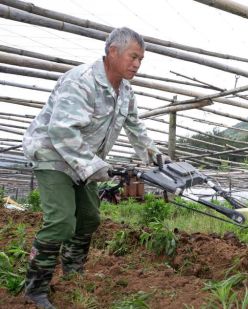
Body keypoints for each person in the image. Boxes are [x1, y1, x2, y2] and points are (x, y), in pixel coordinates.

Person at [22, 27, 167, 308]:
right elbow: (61, 131)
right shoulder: (82, 81)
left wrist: (156, 156)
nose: (137, 64)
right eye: (133, 57)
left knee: (89, 218)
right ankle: (35, 288)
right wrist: (96, 166)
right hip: (52, 154)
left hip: (84, 159)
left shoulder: (125, 92)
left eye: (141, 60)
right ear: (113, 51)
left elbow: (136, 129)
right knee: (62, 221)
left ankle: (73, 272)